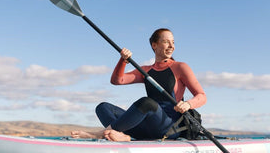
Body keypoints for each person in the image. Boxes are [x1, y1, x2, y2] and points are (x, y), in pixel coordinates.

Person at [71, 28, 206, 141]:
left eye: (173, 42)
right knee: (103, 107)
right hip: (146, 127)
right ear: (154, 45)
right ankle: (125, 136)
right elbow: (118, 80)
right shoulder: (146, 70)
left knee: (147, 103)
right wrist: (123, 61)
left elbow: (201, 96)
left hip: (168, 127)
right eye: (166, 42)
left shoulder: (180, 67)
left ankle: (101, 133)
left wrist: (188, 104)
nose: (171, 46)